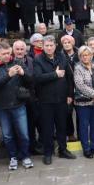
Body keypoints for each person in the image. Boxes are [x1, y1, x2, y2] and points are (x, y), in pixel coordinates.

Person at [0, 41, 34, 170]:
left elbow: (31, 80)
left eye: (8, 53)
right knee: (7, 135)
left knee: (24, 133)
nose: (7, 56)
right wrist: (8, 75)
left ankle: (25, 156)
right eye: (4, 54)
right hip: (2, 107)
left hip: (18, 104)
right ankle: (13, 157)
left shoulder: (17, 62)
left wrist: (23, 74)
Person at [33, 36, 76, 164]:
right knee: (47, 128)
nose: (49, 48)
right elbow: (37, 78)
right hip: (46, 100)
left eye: (51, 45)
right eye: (46, 45)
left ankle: (63, 150)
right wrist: (55, 74)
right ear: (43, 46)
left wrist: (70, 95)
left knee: (62, 126)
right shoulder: (38, 59)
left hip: (61, 99)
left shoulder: (62, 57)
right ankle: (48, 153)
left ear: (55, 45)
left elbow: (69, 77)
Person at [73, 45, 94, 158]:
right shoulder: (78, 68)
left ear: (91, 56)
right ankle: (86, 149)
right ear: (80, 57)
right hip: (83, 103)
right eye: (83, 55)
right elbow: (80, 86)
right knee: (84, 126)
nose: (85, 57)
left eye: (87, 55)